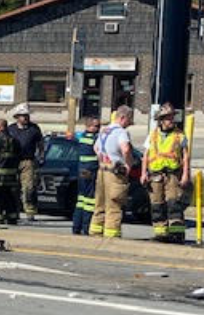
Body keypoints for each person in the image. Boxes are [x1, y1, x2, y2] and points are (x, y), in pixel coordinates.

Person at [142, 103, 190, 244]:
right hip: (155, 175)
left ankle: (177, 234)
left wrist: (185, 174)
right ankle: (161, 233)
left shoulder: (180, 135)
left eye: (172, 118)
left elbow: (186, 156)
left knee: (174, 203)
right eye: (168, 118)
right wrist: (143, 173)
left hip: (172, 175)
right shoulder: (152, 135)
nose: (171, 121)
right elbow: (146, 155)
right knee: (157, 204)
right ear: (161, 120)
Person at [89, 105, 136, 238]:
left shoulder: (104, 130)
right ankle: (112, 234)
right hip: (115, 173)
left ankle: (95, 231)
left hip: (102, 171)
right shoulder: (121, 132)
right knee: (114, 205)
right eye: (129, 120)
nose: (130, 124)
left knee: (99, 204)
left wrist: (102, 161)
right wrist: (128, 165)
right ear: (122, 118)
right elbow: (125, 149)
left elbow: (96, 148)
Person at [7, 103, 43, 222]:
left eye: (27, 115)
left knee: (29, 188)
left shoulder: (34, 129)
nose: (25, 118)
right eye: (23, 116)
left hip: (28, 161)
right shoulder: (10, 129)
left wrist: (40, 157)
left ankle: (30, 211)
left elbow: (40, 145)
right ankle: (14, 212)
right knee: (13, 188)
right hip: (13, 161)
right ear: (17, 117)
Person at [72, 116, 100, 235]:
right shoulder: (94, 139)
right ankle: (86, 227)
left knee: (81, 200)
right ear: (89, 126)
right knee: (90, 201)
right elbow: (99, 153)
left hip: (81, 170)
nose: (99, 128)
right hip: (91, 170)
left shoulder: (82, 137)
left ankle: (76, 226)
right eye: (96, 126)